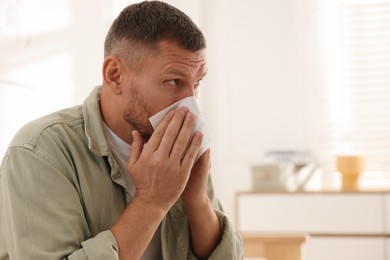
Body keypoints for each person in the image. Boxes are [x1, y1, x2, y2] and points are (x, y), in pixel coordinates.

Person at [0, 1, 243, 259]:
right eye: (173, 81)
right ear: (115, 75)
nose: (191, 103)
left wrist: (197, 200)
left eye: (197, 83)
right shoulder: (40, 152)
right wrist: (152, 201)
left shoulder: (176, 146)